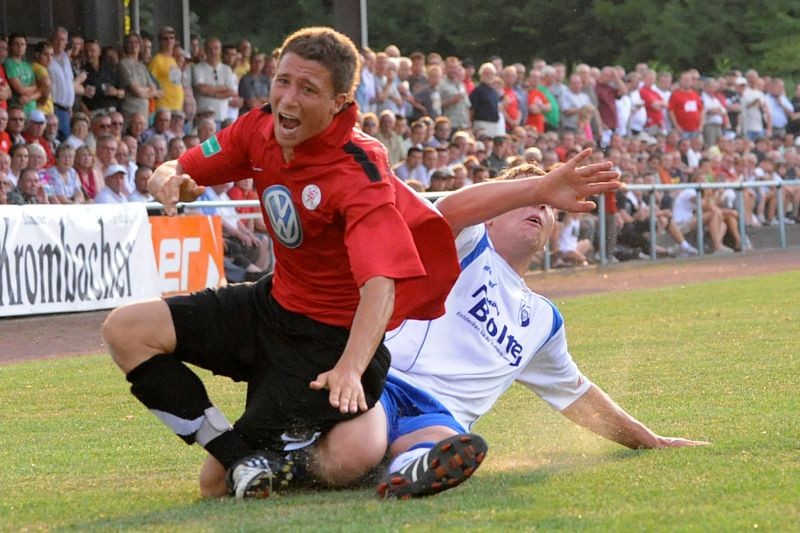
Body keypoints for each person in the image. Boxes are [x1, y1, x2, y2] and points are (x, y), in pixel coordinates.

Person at [198, 157, 702, 501]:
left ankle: (404, 474)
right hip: (383, 383)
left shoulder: (544, 320)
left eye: (549, 208)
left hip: (440, 415)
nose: (540, 210)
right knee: (358, 448)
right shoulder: (465, 245)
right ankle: (290, 463)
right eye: (528, 200)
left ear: (552, 234)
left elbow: (578, 396)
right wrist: (535, 184)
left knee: (444, 444)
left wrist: (650, 440)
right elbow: (453, 211)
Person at [101, 26, 464, 501]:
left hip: (327, 346)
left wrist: (351, 369)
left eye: (307, 89)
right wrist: (167, 180)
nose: (287, 99)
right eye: (282, 81)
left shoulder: (360, 168)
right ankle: (245, 456)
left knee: (214, 487)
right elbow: (181, 169)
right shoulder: (259, 126)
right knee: (126, 329)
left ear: (339, 102)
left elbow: (381, 283)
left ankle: (378, 451)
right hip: (271, 305)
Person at [149, 27, 184, 115]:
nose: (169, 41)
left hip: (178, 106)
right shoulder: (157, 60)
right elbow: (149, 82)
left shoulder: (174, 60)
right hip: (163, 107)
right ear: (160, 41)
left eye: (171, 38)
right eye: (165, 39)